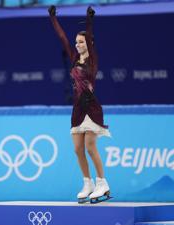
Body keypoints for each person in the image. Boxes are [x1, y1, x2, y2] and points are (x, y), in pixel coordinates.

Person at [48, 5, 111, 203]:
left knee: (91, 146)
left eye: (81, 42)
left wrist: (89, 19)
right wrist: (53, 18)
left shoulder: (92, 59)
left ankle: (102, 183)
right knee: (77, 149)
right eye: (77, 42)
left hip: (91, 108)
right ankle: (88, 183)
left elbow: (90, 33)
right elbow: (62, 39)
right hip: (77, 109)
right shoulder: (74, 58)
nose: (77, 44)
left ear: (89, 43)